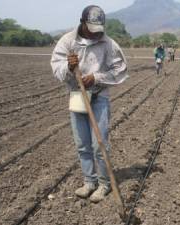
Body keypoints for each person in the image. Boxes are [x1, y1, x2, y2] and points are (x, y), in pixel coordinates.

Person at [51, 5, 128, 203]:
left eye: (98, 30)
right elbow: (56, 68)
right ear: (83, 23)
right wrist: (68, 67)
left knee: (99, 143)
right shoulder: (68, 41)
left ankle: (104, 184)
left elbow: (120, 70)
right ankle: (89, 181)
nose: (96, 34)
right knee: (83, 144)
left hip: (99, 97)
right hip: (77, 96)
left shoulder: (109, 44)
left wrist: (96, 77)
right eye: (92, 29)